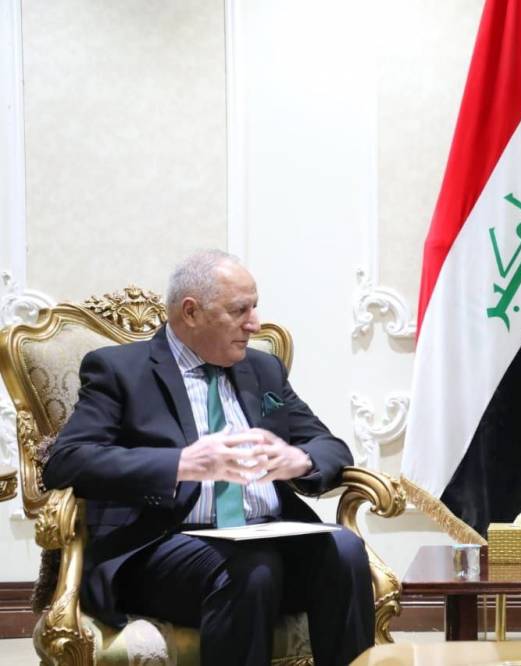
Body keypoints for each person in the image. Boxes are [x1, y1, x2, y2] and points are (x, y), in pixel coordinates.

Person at [42, 250, 374, 666]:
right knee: (252, 568)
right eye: (239, 310)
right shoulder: (120, 371)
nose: (254, 323)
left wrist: (299, 459)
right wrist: (181, 464)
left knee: (344, 549)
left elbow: (330, 446)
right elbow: (67, 460)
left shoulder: (263, 369)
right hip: (163, 549)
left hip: (265, 537)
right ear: (191, 312)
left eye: (254, 307)